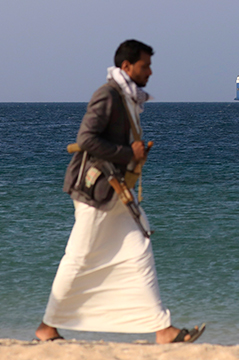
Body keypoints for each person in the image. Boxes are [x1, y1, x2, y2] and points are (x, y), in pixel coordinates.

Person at [35, 39, 205, 344]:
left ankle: (162, 328)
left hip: (116, 192)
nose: (150, 71)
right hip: (97, 192)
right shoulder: (108, 95)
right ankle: (47, 328)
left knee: (139, 248)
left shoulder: (128, 97)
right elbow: (86, 139)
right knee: (79, 256)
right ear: (127, 67)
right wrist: (128, 153)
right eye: (145, 65)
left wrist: (133, 154)